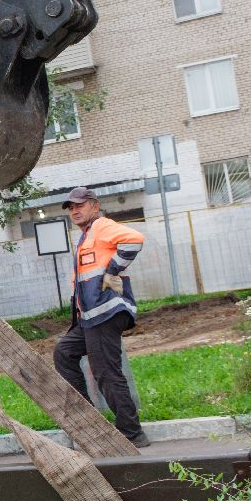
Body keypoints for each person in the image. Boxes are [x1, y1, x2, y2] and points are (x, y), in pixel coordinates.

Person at [51, 186, 151, 447]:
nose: (74, 211)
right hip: (91, 317)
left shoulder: (101, 226)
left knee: (106, 372)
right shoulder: (86, 236)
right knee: (64, 353)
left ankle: (131, 433)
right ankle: (89, 420)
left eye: (80, 205)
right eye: (71, 207)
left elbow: (134, 239)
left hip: (106, 312)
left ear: (94, 206)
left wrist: (113, 270)